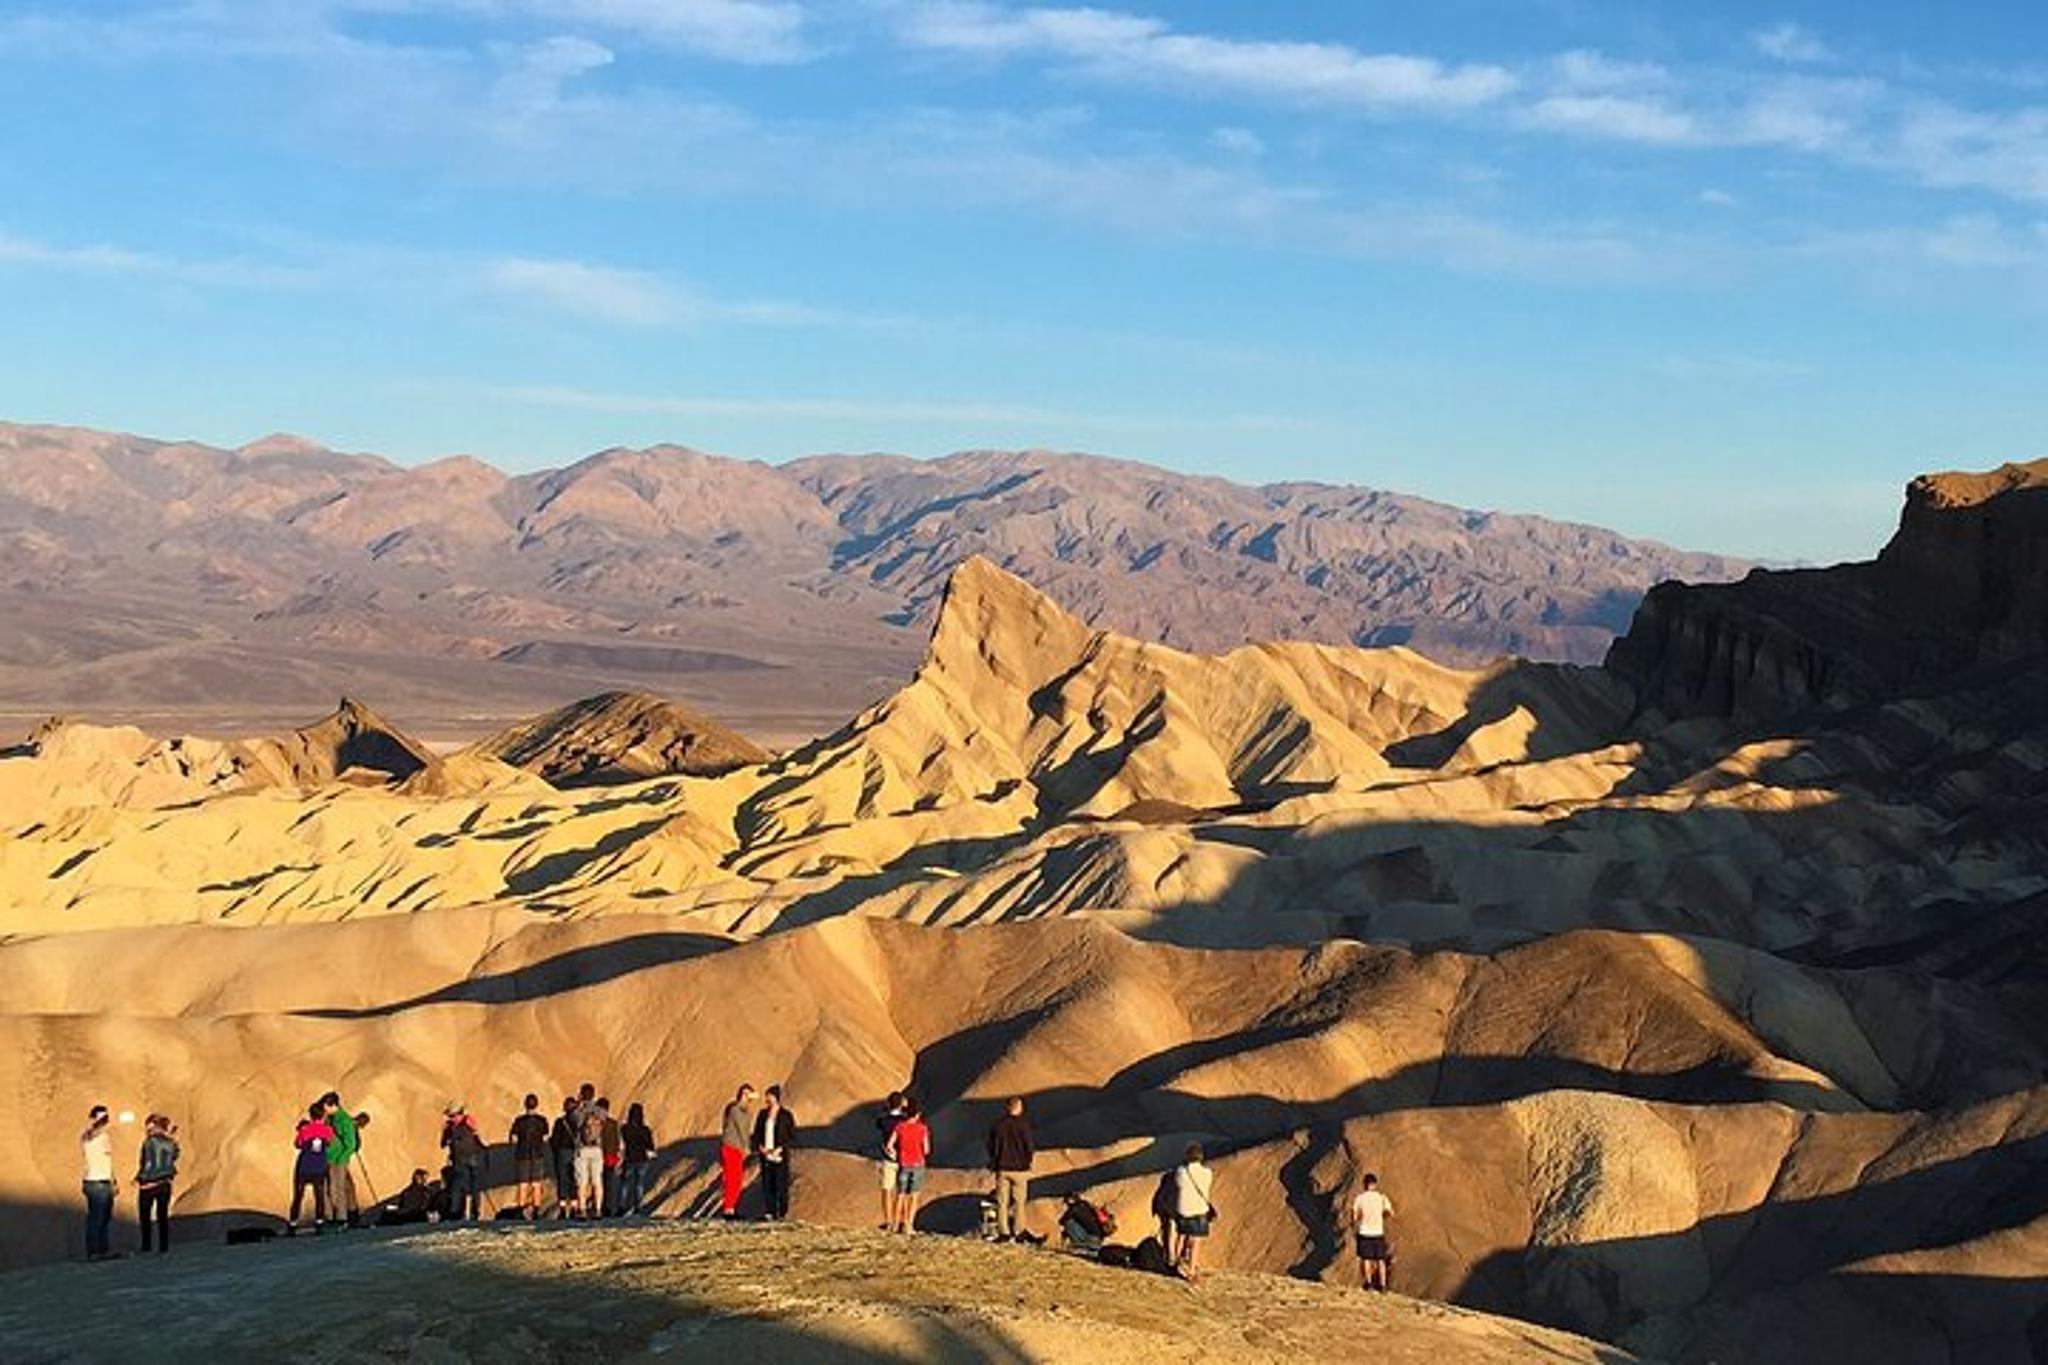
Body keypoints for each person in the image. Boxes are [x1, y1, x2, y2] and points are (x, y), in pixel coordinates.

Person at [986, 1097, 1034, 1241]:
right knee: (1019, 1202)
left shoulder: (998, 1125)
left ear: (1007, 1108)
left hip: (1002, 1168)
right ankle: (1019, 1231)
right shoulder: (1024, 1125)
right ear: (1019, 1108)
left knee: (1002, 1202)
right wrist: (1027, 1162)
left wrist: (995, 1161)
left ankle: (1004, 1232)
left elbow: (990, 1146)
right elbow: (1029, 1146)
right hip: (1020, 1169)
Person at [134, 1113, 180, 1255]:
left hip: (149, 1184)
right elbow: (174, 1156)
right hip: (165, 1183)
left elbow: (147, 1163)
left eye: (149, 1126)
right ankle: (163, 1246)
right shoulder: (171, 1142)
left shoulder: (149, 1142)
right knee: (162, 1216)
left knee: (145, 1216)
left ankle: (146, 1246)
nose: (147, 1129)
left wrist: (140, 1178)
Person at [289, 1101, 335, 1235]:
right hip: (319, 1167)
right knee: (319, 1196)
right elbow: (330, 1143)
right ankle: (319, 1225)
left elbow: (297, 1144)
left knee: (298, 1196)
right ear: (323, 1116)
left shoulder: (305, 1130)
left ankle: (293, 1225)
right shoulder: (327, 1130)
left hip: (303, 1167)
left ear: (311, 1115)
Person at [1172, 1142, 1216, 1282]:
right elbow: (1207, 1185)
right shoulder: (1207, 1173)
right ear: (1200, 1157)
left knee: (1181, 1234)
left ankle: (1175, 1263)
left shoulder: (1180, 1171)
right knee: (1196, 1240)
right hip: (1199, 1210)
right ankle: (1191, 1271)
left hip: (1182, 1209)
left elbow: (1177, 1183)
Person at [751, 1085, 796, 1221]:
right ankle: (770, 1212)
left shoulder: (786, 1115)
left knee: (780, 1183)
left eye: (769, 1096)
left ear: (776, 1097)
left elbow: (791, 1135)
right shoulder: (762, 1114)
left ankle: (782, 1213)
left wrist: (781, 1147)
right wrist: (760, 1147)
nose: (766, 1099)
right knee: (767, 1183)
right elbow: (757, 1132)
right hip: (765, 1154)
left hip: (779, 1154)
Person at [886, 1096, 930, 1233]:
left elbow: (889, 1145)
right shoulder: (922, 1129)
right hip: (918, 1164)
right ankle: (908, 1225)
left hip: (904, 1163)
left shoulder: (900, 1127)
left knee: (901, 1195)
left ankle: (894, 1225)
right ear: (918, 1114)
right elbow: (927, 1149)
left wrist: (895, 1154)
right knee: (914, 1196)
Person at [80, 1104, 117, 1261]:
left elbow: (107, 1160)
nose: (104, 1120)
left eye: (105, 1116)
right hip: (94, 1182)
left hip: (105, 1181)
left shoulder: (105, 1136)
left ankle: (103, 1250)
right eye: (100, 1116)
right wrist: (97, 1124)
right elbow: (89, 1136)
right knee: (96, 1218)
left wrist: (113, 1180)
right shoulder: (89, 1135)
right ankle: (94, 1252)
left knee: (105, 1217)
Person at [440, 1101, 487, 1222]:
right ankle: (460, 1213)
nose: (451, 1118)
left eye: (452, 1115)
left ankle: (471, 1213)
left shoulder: (467, 1122)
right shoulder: (452, 1126)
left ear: (458, 1114)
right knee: (461, 1187)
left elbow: (477, 1136)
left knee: (468, 1187)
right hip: (460, 1159)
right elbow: (443, 1144)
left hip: (470, 1158)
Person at [321, 1093, 361, 1230]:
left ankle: (342, 1218)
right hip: (328, 1158)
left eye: (326, 1106)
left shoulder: (344, 1120)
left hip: (338, 1160)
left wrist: (341, 1159)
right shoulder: (331, 1119)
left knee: (338, 1190)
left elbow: (350, 1144)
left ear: (333, 1105)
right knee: (328, 1189)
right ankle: (329, 1217)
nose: (324, 1109)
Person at [1349, 1173, 1394, 1292]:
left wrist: (1355, 1224)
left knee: (1366, 1259)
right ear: (1375, 1184)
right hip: (1378, 1232)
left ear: (1364, 1184)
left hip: (1364, 1232)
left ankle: (1369, 1284)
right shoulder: (1382, 1197)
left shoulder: (1359, 1198)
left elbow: (1354, 1216)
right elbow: (1390, 1212)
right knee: (1381, 1260)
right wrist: (1381, 1217)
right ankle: (1383, 1286)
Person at [510, 1094, 551, 1220]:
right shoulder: (542, 1120)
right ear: (536, 1104)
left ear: (525, 1105)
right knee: (536, 1184)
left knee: (523, 1184)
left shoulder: (519, 1121)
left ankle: (521, 1210)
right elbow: (545, 1136)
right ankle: (536, 1210)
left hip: (522, 1154)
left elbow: (513, 1138)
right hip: (538, 1154)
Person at [718, 1084, 755, 1218]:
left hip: (737, 1148)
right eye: (746, 1094)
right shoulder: (735, 1109)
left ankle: (731, 1208)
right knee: (732, 1178)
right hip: (731, 1147)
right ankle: (728, 1209)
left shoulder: (744, 1111)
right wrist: (747, 1147)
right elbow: (741, 1129)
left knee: (736, 1179)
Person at [874, 1091, 907, 1231]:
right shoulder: (904, 1121)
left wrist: (886, 1109)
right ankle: (903, 1221)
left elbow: (879, 1122)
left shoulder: (883, 1121)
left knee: (887, 1190)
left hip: (888, 1159)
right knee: (903, 1191)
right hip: (903, 1158)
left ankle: (888, 1221)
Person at [573, 1090, 607, 1220]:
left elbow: (574, 1121)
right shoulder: (601, 1111)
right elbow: (605, 1120)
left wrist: (578, 1103)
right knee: (597, 1180)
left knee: (582, 1181)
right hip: (597, 1149)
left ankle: (582, 1210)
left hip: (582, 1148)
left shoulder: (579, 1112)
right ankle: (597, 1209)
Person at [619, 1102, 655, 1216]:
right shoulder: (645, 1130)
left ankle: (622, 1206)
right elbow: (650, 1146)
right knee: (639, 1184)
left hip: (629, 1158)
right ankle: (637, 1207)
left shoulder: (625, 1128)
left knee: (625, 1184)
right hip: (642, 1159)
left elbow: (622, 1143)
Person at [549, 1095, 579, 1218]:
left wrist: (555, 1151)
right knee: (574, 1179)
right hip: (575, 1152)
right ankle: (574, 1207)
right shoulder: (578, 1121)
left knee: (562, 1179)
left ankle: (562, 1208)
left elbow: (554, 1140)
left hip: (562, 1152)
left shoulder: (560, 1122)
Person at [598, 1098, 623, 1217]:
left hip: (599, 1155)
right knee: (610, 1183)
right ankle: (610, 1207)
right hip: (611, 1156)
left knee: (599, 1182)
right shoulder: (613, 1123)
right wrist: (617, 1155)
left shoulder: (597, 1123)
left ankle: (601, 1206)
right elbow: (617, 1142)